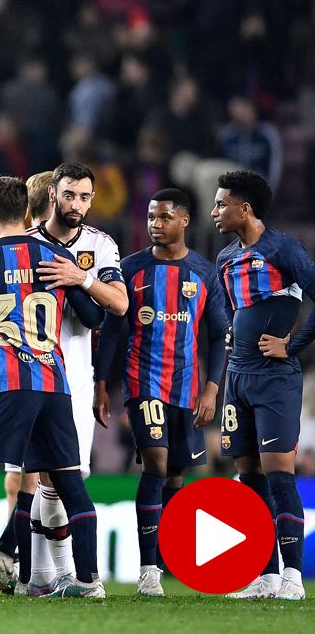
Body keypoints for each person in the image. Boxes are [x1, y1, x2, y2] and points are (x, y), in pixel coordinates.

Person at [0, 175, 107, 599]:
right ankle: (89, 583)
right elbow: (94, 320)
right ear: (26, 212)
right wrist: (77, 279)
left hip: (9, 384)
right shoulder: (55, 256)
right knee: (69, 481)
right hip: (54, 383)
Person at [93, 188, 228, 597]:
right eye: (151, 217)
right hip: (142, 381)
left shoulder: (204, 273)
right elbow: (113, 333)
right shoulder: (131, 269)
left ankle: (167, 558)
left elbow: (219, 333)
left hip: (186, 388)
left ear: (184, 221)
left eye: (164, 217)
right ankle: (148, 569)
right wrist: (102, 386)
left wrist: (211, 389)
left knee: (175, 474)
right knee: (155, 461)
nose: (155, 224)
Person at [24, 162, 128, 594]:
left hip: (76, 379)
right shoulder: (24, 244)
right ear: (52, 194)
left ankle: (44, 575)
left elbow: (120, 304)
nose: (78, 205)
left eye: (85, 197)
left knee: (67, 478)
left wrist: (80, 278)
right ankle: (57, 574)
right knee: (46, 477)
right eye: (70, 195)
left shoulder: (99, 245)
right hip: (28, 373)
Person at [211, 170, 314, 601]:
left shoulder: (282, 249)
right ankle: (266, 575)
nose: (215, 212)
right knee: (247, 476)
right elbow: (225, 309)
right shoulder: (225, 259)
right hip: (238, 378)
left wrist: (292, 346)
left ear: (244, 208)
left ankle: (292, 577)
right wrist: (232, 331)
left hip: (275, 380)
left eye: (221, 204)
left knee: (279, 477)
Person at [0, 168, 56, 591]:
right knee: (26, 477)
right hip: (32, 372)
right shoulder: (37, 253)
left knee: (44, 477)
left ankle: (23, 563)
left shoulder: (73, 251)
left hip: (47, 373)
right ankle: (24, 566)